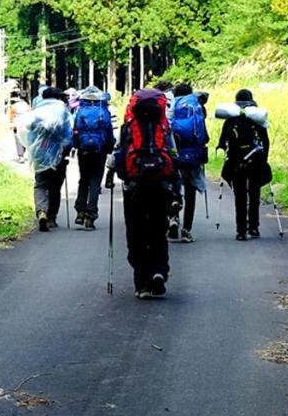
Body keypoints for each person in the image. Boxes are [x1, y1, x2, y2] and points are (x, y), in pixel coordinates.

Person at [108, 88, 179, 298]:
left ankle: (143, 284)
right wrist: (175, 186)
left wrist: (113, 176)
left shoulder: (128, 127)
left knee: (136, 233)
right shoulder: (164, 127)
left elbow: (119, 155)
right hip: (160, 186)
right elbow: (174, 156)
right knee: (158, 231)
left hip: (134, 188)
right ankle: (159, 271)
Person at [219, 89, 272, 240]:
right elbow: (265, 141)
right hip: (256, 161)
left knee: (240, 196)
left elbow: (223, 142)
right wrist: (264, 159)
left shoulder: (231, 119)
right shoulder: (257, 118)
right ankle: (254, 227)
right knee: (254, 194)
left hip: (236, 162)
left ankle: (241, 231)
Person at [21, 86, 72, 232]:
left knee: (41, 185)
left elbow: (29, 134)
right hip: (59, 156)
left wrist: (32, 150)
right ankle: (51, 218)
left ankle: (41, 211)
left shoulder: (36, 113)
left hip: (39, 155)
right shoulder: (63, 112)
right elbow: (68, 136)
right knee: (55, 187)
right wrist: (66, 150)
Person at [168, 83, 209, 242]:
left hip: (174, 154)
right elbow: (204, 136)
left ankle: (173, 216)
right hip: (192, 154)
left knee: (174, 186)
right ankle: (186, 230)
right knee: (190, 191)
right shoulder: (196, 107)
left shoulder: (170, 106)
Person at [71, 86, 115, 231]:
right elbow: (109, 132)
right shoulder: (104, 111)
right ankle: (91, 215)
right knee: (95, 181)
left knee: (83, 179)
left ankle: (80, 211)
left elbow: (76, 131)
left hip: (83, 150)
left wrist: (76, 146)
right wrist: (109, 148)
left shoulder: (80, 111)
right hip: (99, 150)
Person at [9, 91, 32, 163]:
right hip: (25, 124)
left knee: (18, 139)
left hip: (17, 124)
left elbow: (12, 115)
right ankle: (23, 152)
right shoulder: (27, 106)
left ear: (19, 97)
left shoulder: (14, 106)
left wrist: (11, 123)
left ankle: (21, 156)